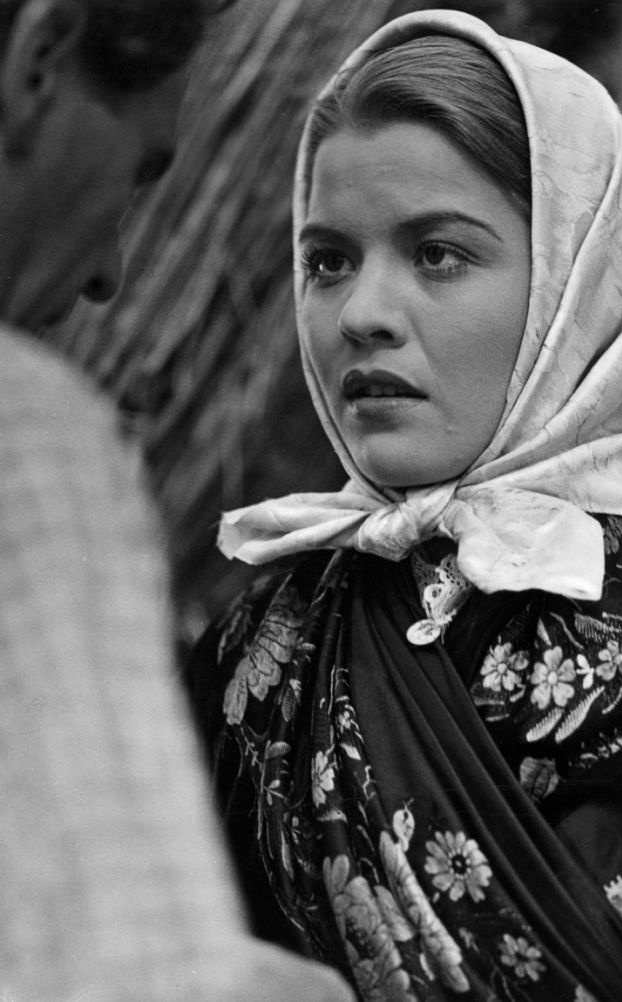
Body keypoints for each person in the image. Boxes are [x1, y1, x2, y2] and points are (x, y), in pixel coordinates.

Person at [191, 9, 622, 1002]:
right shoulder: (253, 662)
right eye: (328, 260)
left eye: (438, 253)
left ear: (576, 281)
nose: (361, 315)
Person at [0, 1, 354, 999]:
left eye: (442, 257)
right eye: (134, 173)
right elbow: (125, 974)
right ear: (38, 63)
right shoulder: (28, 438)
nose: (109, 274)